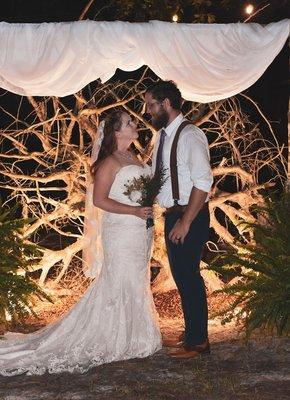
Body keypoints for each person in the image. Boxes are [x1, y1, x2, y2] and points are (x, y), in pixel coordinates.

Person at [0, 109, 161, 376]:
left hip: (140, 231)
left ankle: (136, 334)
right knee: (119, 278)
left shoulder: (135, 157)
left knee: (137, 278)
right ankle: (115, 337)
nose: (135, 124)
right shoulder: (109, 163)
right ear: (116, 132)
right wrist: (133, 211)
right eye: (128, 122)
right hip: (121, 231)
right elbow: (100, 201)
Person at [145, 80, 213, 359]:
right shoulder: (162, 136)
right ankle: (192, 334)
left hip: (190, 214)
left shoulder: (190, 135)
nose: (147, 110)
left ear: (167, 104)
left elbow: (203, 182)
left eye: (151, 104)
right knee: (183, 277)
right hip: (174, 214)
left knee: (189, 277)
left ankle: (199, 343)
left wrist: (185, 221)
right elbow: (158, 174)